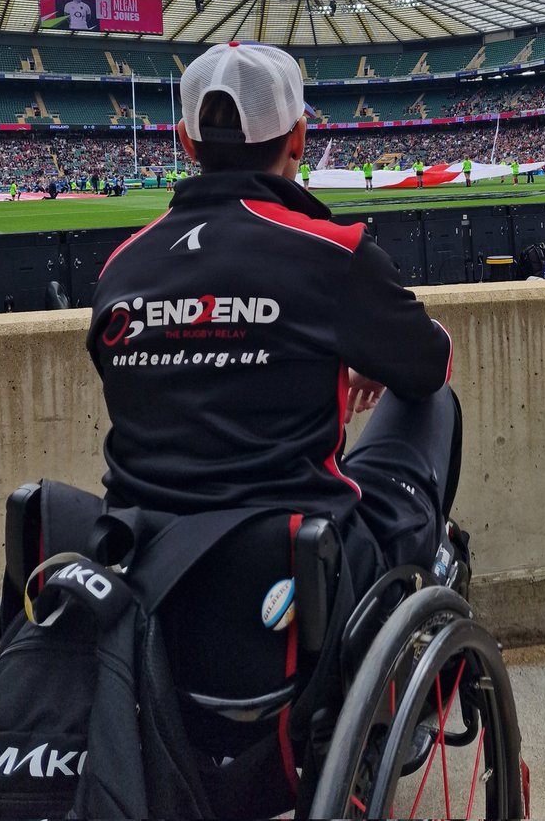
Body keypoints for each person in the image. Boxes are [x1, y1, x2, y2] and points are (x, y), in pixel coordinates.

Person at [86, 42, 461, 608]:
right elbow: (430, 364)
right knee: (433, 401)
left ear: (186, 143)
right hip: (294, 563)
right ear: (299, 138)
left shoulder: (120, 267)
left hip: (144, 556)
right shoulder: (333, 254)